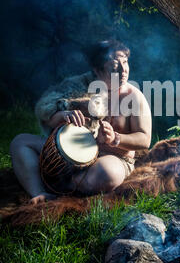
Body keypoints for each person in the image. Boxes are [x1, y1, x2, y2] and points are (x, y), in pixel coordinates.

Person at [10, 40, 152, 204]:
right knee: (20, 142)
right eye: (114, 66)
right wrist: (65, 113)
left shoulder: (134, 96)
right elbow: (48, 116)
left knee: (105, 173)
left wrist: (116, 138)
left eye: (125, 62)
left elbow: (144, 139)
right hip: (72, 153)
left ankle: (60, 183)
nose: (123, 70)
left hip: (112, 157)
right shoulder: (78, 85)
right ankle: (40, 193)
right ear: (97, 70)